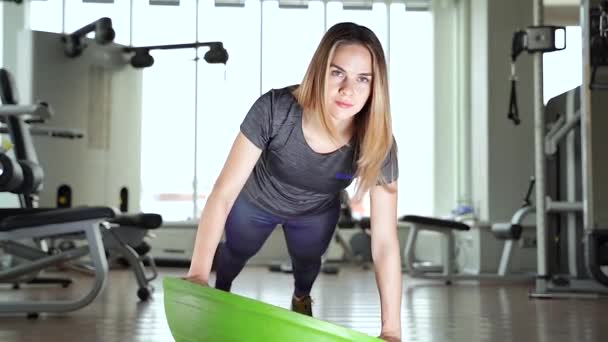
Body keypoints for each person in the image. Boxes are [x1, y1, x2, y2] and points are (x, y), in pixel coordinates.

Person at [185, 22, 402, 341]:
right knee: (235, 253)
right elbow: (223, 193)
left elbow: (384, 242)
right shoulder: (275, 109)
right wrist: (197, 273)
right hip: (257, 200)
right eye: (337, 72)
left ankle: (301, 297)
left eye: (362, 79)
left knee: (307, 263)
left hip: (316, 210)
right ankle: (220, 289)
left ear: (375, 87)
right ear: (319, 70)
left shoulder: (378, 143)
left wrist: (391, 330)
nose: (348, 90)